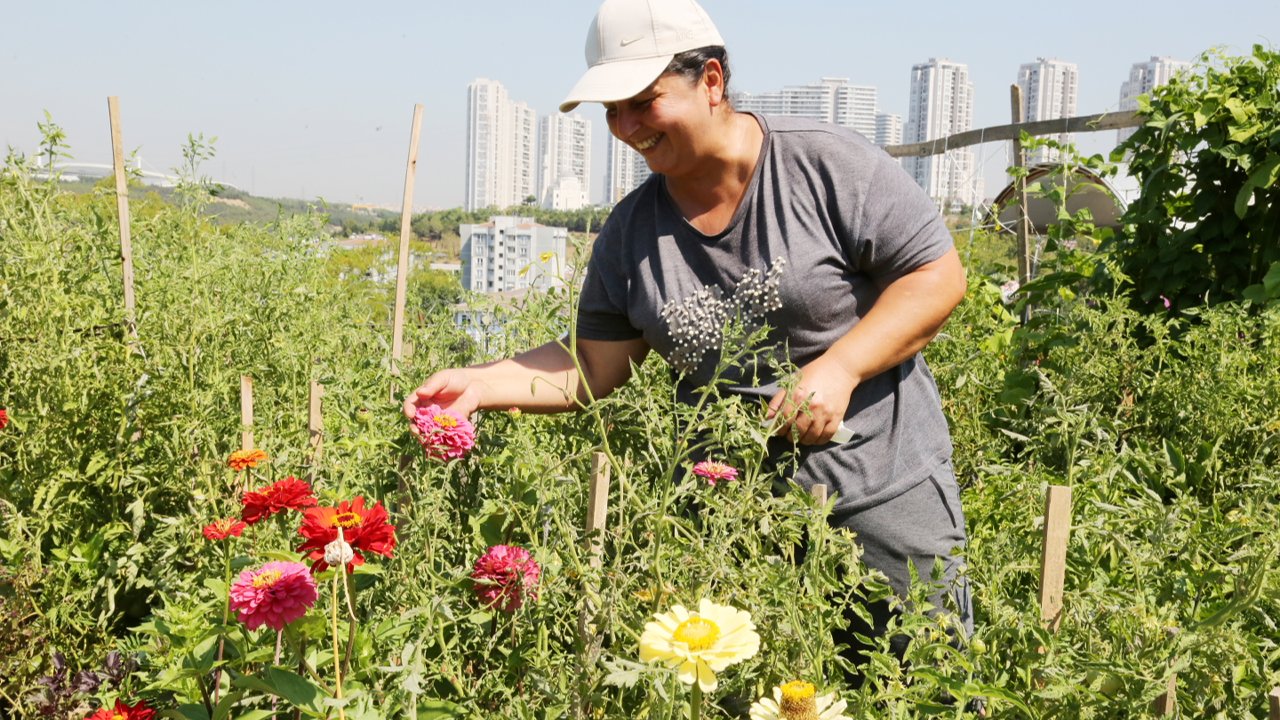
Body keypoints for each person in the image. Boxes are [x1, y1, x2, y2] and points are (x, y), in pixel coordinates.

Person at [405, 0, 972, 678]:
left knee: (917, 685)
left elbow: (936, 279)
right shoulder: (630, 232)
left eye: (642, 102)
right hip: (728, 523)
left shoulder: (827, 167)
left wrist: (841, 367)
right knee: (741, 694)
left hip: (880, 492)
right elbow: (592, 367)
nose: (626, 127)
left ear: (711, 80)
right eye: (611, 110)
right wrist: (482, 383)